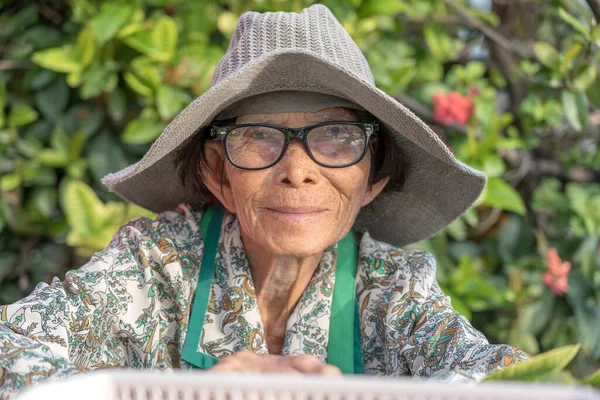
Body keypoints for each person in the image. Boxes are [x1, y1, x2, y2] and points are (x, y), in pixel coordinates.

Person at [0, 4, 528, 397]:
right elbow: (12, 347)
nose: (298, 171)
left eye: (338, 138)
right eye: (256, 137)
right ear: (217, 175)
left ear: (373, 177)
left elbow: (502, 378)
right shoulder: (156, 265)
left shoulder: (391, 289)